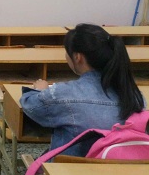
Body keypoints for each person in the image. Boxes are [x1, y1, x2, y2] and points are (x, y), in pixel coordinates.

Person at [20, 23, 145, 157]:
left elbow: (31, 106)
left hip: (69, 168)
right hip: (120, 167)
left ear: (77, 57)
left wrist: (40, 90)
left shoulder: (63, 94)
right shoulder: (135, 96)